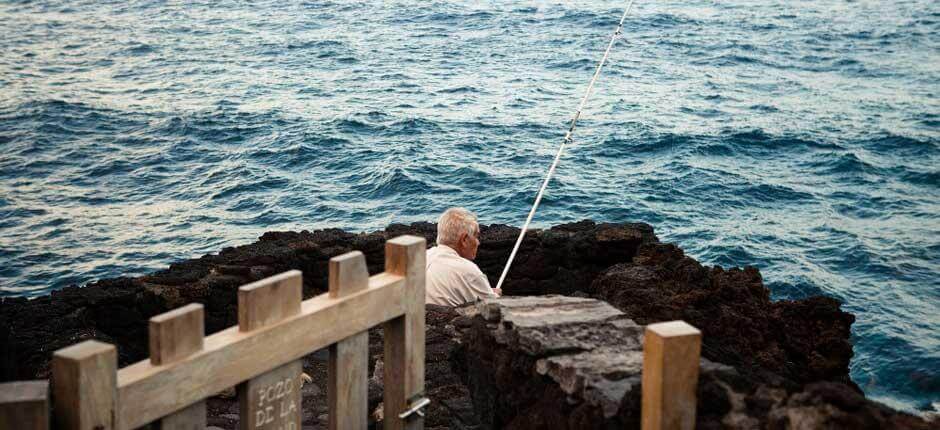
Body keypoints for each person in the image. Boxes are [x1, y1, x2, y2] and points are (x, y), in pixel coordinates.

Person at [425, 207, 502, 306]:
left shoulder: (423, 256)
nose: (478, 243)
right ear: (464, 240)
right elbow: (493, 309)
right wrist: (495, 296)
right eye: (476, 236)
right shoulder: (468, 271)